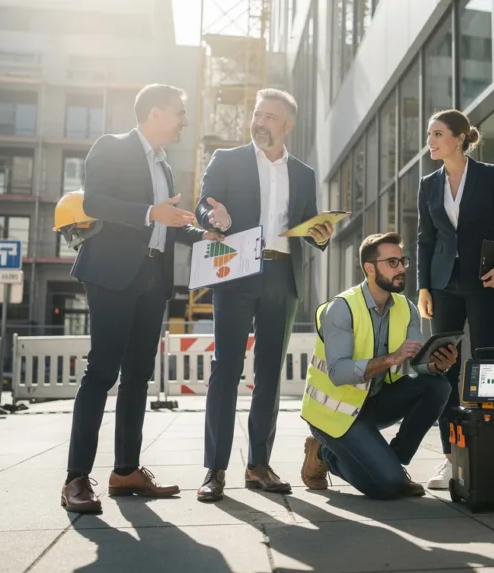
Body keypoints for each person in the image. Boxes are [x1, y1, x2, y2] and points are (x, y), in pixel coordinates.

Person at [61, 84, 223, 513]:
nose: (184, 121)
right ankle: (76, 478)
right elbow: (94, 200)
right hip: (112, 274)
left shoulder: (164, 168)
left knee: (137, 377)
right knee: (101, 373)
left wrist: (199, 234)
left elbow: (164, 226)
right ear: (154, 113)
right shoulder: (111, 147)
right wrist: (150, 212)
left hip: (152, 279)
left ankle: (126, 470)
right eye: (180, 113)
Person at [194, 88, 334, 502]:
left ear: (287, 125)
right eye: (257, 114)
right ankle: (214, 469)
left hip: (281, 275)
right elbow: (203, 205)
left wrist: (321, 234)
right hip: (236, 270)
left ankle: (258, 464)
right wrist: (211, 215)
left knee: (271, 373)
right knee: (226, 369)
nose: (260, 122)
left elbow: (309, 225)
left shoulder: (304, 174)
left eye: (270, 117)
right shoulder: (228, 160)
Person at [416, 109, 494, 490]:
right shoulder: (428, 185)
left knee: (487, 365)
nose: (430, 141)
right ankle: (451, 457)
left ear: (460, 138)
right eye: (429, 134)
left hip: (485, 282)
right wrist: (423, 288)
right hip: (444, 285)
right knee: (445, 368)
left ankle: (491, 448)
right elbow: (425, 240)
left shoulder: (489, 176)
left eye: (437, 134)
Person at [300, 232, 457, 500]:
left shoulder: (406, 308)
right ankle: (325, 453)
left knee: (437, 386)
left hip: (373, 403)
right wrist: (390, 358)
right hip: (334, 414)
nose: (402, 269)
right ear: (370, 268)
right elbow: (338, 373)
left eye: (402, 261)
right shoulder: (341, 308)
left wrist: (435, 365)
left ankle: (391, 465)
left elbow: (416, 365)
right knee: (386, 488)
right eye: (392, 262)